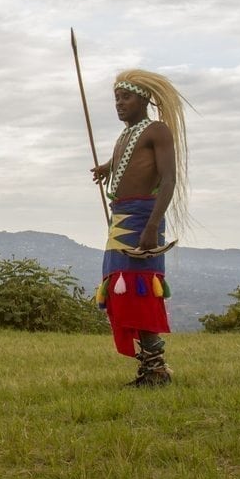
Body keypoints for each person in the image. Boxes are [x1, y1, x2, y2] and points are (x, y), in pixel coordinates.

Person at [91, 69, 191, 387]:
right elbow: (127, 161)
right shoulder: (125, 136)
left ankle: (157, 370)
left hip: (143, 219)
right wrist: (108, 167)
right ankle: (150, 367)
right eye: (116, 98)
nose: (119, 104)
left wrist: (151, 227)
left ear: (144, 98)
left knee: (139, 289)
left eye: (126, 97)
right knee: (119, 290)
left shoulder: (157, 130)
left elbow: (169, 180)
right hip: (121, 219)